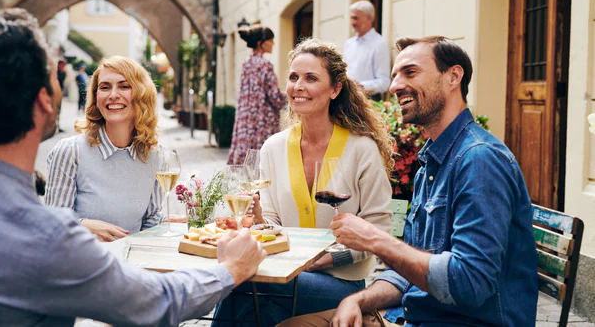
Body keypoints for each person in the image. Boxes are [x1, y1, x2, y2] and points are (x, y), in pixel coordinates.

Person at [0, 8, 267, 326]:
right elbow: (159, 303)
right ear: (44, 100)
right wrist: (231, 269)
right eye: (56, 75)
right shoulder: (48, 236)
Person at [280, 36, 538, 327]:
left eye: (410, 72)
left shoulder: (479, 160)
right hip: (411, 316)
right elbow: (408, 268)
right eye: (394, 76)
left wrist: (375, 240)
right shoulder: (433, 162)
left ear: (453, 76)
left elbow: (470, 284)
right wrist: (357, 300)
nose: (395, 86)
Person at [213, 38, 395, 326]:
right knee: (262, 307)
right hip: (280, 274)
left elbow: (379, 229)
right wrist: (259, 218)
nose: (298, 86)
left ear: (335, 89)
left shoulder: (361, 149)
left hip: (340, 285)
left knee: (238, 284)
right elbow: (271, 223)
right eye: (293, 77)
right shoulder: (273, 146)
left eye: (311, 78)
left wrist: (326, 258)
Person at [46, 56, 179, 242]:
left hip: (132, 264)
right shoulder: (70, 151)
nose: (113, 94)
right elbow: (52, 223)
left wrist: (171, 224)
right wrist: (84, 226)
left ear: (142, 94)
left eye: (124, 86)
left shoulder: (155, 156)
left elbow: (148, 221)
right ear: (96, 96)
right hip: (81, 266)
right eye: (105, 87)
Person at [227, 24, 286, 165]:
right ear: (261, 43)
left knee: (246, 165)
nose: (273, 43)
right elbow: (275, 97)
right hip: (262, 122)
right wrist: (290, 97)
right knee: (263, 164)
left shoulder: (246, 63)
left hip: (246, 121)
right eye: (271, 40)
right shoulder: (264, 65)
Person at [343, 0, 390, 99]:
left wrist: (361, 86)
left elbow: (385, 82)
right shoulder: (348, 44)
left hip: (368, 101)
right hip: (346, 99)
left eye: (356, 18)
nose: (352, 23)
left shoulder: (379, 44)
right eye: (351, 18)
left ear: (369, 18)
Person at [56, 59, 67, 132]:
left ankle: (57, 125)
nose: (62, 66)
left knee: (59, 109)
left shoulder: (63, 73)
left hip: (60, 92)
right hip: (55, 92)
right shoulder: (55, 72)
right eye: (62, 65)